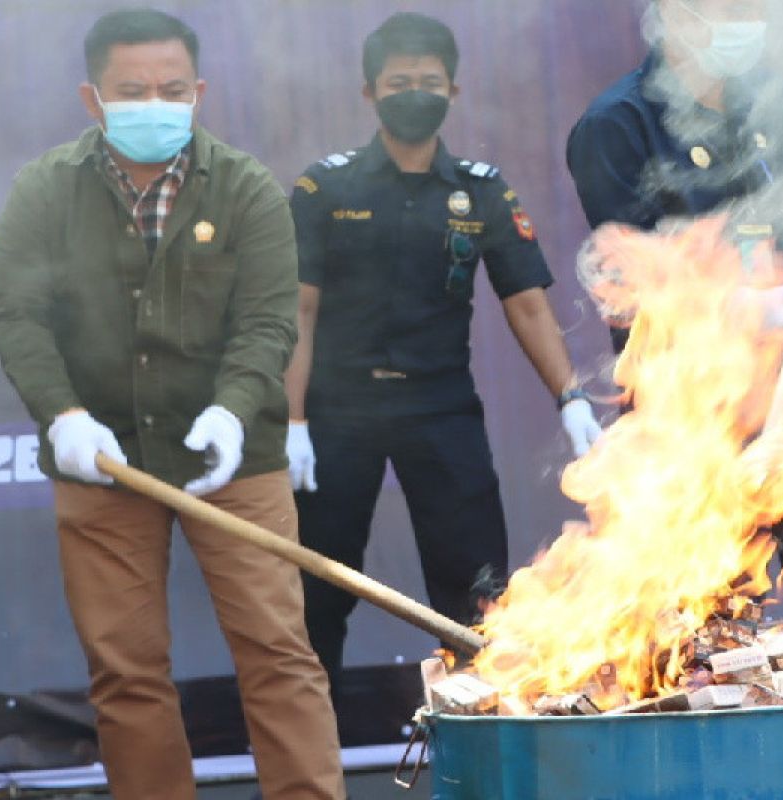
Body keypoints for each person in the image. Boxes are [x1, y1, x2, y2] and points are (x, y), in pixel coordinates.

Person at [0, 10, 344, 799]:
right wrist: (62, 415)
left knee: (279, 653)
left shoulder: (246, 188)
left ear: (199, 92)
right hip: (103, 461)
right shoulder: (46, 188)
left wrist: (230, 409)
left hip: (236, 462)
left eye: (172, 89)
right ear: (93, 99)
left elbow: (269, 321)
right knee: (125, 670)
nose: (156, 102)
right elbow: (13, 312)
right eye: (133, 89)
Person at [285, 12, 602, 705]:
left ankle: (485, 739)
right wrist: (294, 421)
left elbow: (525, 303)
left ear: (453, 91)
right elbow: (298, 310)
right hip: (337, 415)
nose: (414, 92)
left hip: (440, 408)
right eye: (399, 82)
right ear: (370, 92)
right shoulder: (324, 189)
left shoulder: (482, 190)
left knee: (478, 596)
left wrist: (571, 397)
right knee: (314, 598)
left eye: (429, 81)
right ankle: (308, 764)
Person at [567, 0, 783, 620]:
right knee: (713, 619)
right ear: (676, 16)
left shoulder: (771, 101)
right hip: (689, 410)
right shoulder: (617, 123)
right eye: (729, 8)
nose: (748, 21)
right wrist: (736, 307)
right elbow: (626, 268)